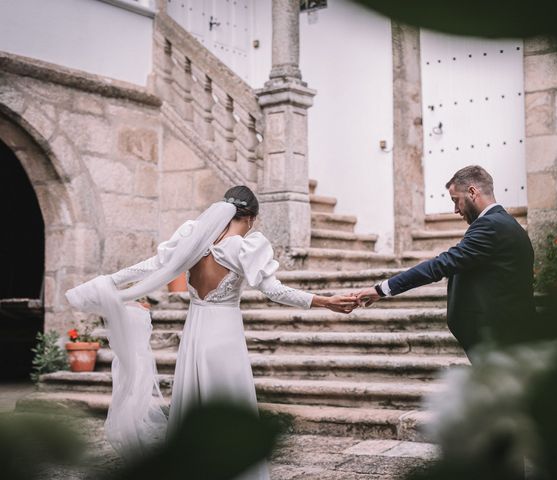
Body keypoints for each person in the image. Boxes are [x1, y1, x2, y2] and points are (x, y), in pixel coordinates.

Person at [66, 185, 357, 478]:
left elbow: (152, 266)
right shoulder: (244, 246)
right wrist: (323, 301)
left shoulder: (193, 240)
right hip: (224, 335)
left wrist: (108, 283)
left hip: (195, 331)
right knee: (228, 400)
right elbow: (274, 290)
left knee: (193, 400)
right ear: (251, 218)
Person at [355, 165, 536, 357]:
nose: (456, 209)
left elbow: (439, 265)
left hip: (499, 341)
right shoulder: (507, 223)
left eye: (456, 200)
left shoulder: (490, 225)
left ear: (472, 192)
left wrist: (380, 290)